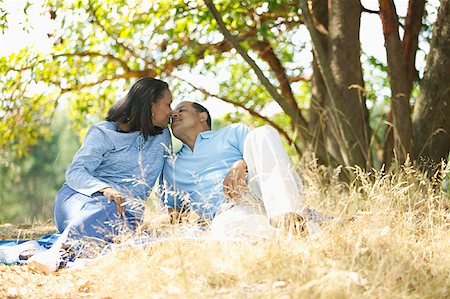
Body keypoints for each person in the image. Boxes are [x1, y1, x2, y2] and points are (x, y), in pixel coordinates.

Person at [29, 77, 173, 272]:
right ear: (151, 106)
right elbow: (76, 172)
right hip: (79, 202)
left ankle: (68, 250)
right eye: (168, 104)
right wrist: (105, 189)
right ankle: (59, 250)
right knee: (108, 205)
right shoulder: (103, 133)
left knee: (126, 235)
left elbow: (166, 179)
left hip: (126, 217)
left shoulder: (162, 136)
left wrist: (172, 212)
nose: (171, 111)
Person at [160, 101, 305, 239]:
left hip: (259, 189)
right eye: (172, 115)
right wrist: (141, 223)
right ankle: (291, 234)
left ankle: (288, 216)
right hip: (229, 211)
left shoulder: (233, 132)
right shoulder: (172, 164)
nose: (174, 115)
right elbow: (176, 214)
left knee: (262, 132)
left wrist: (241, 164)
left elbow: (259, 155)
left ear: (202, 116)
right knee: (228, 230)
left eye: (181, 110)